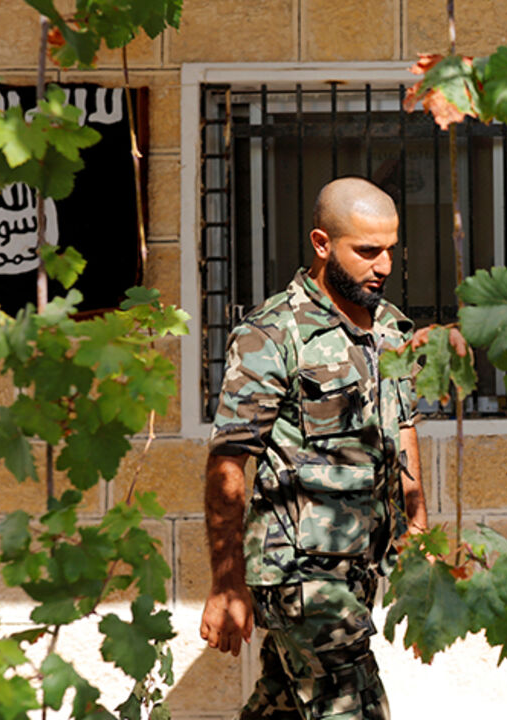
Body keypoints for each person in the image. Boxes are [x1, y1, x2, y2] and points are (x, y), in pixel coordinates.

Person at [200, 177, 428, 719]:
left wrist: (417, 537)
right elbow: (228, 461)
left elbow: (403, 431)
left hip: (358, 568)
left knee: (281, 705)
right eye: (367, 251)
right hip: (300, 576)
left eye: (391, 249)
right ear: (322, 244)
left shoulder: (390, 330)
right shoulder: (273, 333)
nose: (384, 265)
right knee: (353, 706)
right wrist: (227, 582)